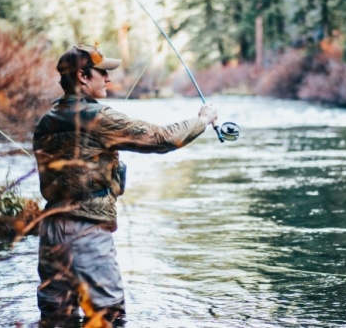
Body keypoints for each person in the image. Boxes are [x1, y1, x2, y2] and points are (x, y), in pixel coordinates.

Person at [32, 44, 218, 324]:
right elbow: (162, 138)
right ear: (83, 76)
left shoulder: (46, 121)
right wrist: (201, 120)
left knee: (56, 320)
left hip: (51, 233)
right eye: (102, 72)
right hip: (87, 231)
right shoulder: (99, 117)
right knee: (108, 318)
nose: (108, 78)